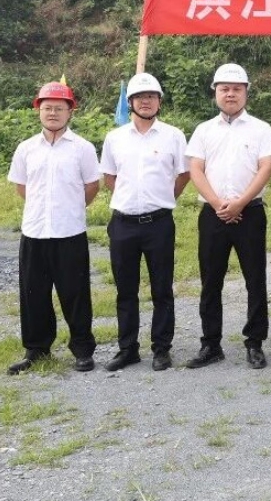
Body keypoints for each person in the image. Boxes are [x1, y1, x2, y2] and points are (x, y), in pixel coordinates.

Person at [184, 64, 271, 370]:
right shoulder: (203, 130)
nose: (230, 94)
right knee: (211, 280)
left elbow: (266, 168)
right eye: (224, 89)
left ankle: (255, 342)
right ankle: (211, 344)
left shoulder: (261, 129)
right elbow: (195, 169)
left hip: (250, 213)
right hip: (213, 214)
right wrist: (218, 203)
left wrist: (240, 202)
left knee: (255, 279)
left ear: (246, 92)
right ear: (215, 92)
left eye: (237, 89)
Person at [6, 82, 100, 375]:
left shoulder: (82, 148)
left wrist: (69, 208)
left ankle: (82, 350)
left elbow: (91, 186)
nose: (53, 113)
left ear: (70, 111)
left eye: (59, 108)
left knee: (76, 294)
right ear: (38, 110)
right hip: (34, 232)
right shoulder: (26, 148)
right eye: (47, 108)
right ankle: (36, 349)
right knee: (33, 294)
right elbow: (22, 187)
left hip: (69, 232)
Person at [100, 72, 190, 372]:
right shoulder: (115, 138)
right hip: (123, 223)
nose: (146, 101)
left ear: (159, 101)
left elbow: (184, 174)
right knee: (126, 290)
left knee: (161, 288)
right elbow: (109, 176)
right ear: (130, 103)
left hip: (159, 223)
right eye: (140, 97)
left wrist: (164, 196)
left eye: (151, 96)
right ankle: (127, 349)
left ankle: (161, 349)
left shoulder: (173, 136)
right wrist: (129, 198)